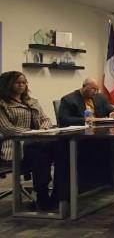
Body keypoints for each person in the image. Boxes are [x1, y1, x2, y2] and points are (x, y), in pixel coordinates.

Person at [0, 71, 68, 211]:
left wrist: (44, 127)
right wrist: (30, 133)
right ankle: (42, 196)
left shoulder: (32, 101)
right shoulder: (2, 104)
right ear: (7, 85)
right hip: (14, 144)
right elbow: (7, 129)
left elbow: (46, 119)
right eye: (17, 82)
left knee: (64, 149)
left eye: (24, 82)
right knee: (39, 153)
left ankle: (59, 195)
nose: (21, 85)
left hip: (39, 140)